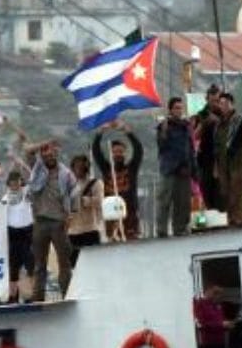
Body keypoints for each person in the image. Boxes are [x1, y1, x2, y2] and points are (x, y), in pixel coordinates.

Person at [26, 139, 77, 297]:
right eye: (47, 156)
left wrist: (72, 214)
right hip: (40, 222)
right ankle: (38, 297)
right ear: (42, 156)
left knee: (64, 261)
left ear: (57, 155)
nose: (50, 158)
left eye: (53, 155)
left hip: (59, 222)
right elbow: (28, 150)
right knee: (39, 264)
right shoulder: (37, 169)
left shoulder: (66, 173)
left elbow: (74, 193)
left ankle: (67, 294)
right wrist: (44, 143)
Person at [91, 123, 144, 240]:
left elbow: (138, 151)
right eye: (115, 152)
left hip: (129, 212)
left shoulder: (131, 169)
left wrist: (128, 133)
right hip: (111, 213)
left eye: (120, 152)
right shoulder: (106, 169)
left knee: (132, 241)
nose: (118, 154)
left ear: (125, 153)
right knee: (113, 242)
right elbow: (96, 153)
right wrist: (99, 134)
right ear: (111, 154)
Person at [154, 96, 195, 237]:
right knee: (164, 201)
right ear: (170, 110)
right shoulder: (164, 125)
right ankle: (162, 230)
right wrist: (164, 132)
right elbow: (161, 146)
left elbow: (190, 149)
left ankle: (180, 229)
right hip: (169, 169)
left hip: (184, 169)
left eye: (181, 108)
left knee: (183, 203)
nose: (179, 111)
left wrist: (193, 169)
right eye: (176, 108)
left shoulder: (186, 126)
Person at [212, 91, 242, 227]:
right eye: (221, 103)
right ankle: (231, 219)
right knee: (226, 192)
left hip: (237, 162)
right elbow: (216, 146)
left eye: (226, 103)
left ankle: (240, 218)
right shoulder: (219, 124)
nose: (223, 106)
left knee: (238, 191)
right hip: (222, 164)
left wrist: (233, 148)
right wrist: (216, 165)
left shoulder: (241, 121)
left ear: (232, 104)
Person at [1, 170, 34, 300]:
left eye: (17, 180)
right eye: (12, 181)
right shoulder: (5, 198)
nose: (15, 183)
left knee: (31, 265)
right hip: (13, 235)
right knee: (13, 267)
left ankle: (35, 295)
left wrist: (22, 166)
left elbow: (34, 179)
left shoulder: (27, 193)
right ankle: (13, 297)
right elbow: (0, 215)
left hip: (28, 233)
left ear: (21, 181)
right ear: (8, 183)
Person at [66, 153, 104, 260]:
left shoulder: (96, 183)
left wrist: (87, 200)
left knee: (94, 260)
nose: (78, 170)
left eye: (81, 167)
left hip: (90, 229)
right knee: (73, 262)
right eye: (76, 167)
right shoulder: (70, 185)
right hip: (73, 230)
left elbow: (100, 201)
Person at [192, 89, 222, 213]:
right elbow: (194, 136)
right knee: (206, 191)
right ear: (207, 100)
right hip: (205, 160)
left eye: (217, 101)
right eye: (212, 100)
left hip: (221, 160)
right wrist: (204, 123)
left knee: (221, 193)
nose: (215, 103)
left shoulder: (224, 114)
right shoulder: (201, 115)